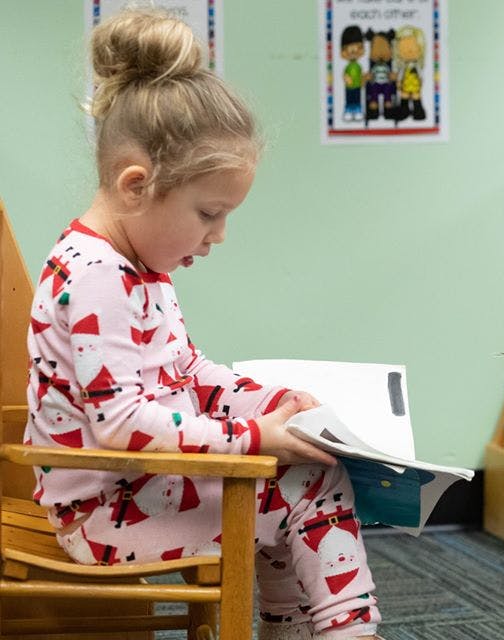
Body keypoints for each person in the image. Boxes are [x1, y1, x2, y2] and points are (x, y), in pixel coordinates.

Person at [25, 9, 384, 640]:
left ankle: (293, 628)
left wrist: (270, 405)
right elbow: (124, 425)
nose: (218, 236)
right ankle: (349, 632)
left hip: (132, 493)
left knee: (289, 474)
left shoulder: (136, 267)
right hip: (105, 516)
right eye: (209, 213)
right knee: (310, 482)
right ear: (136, 185)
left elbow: (185, 372)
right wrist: (254, 436)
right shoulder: (100, 276)